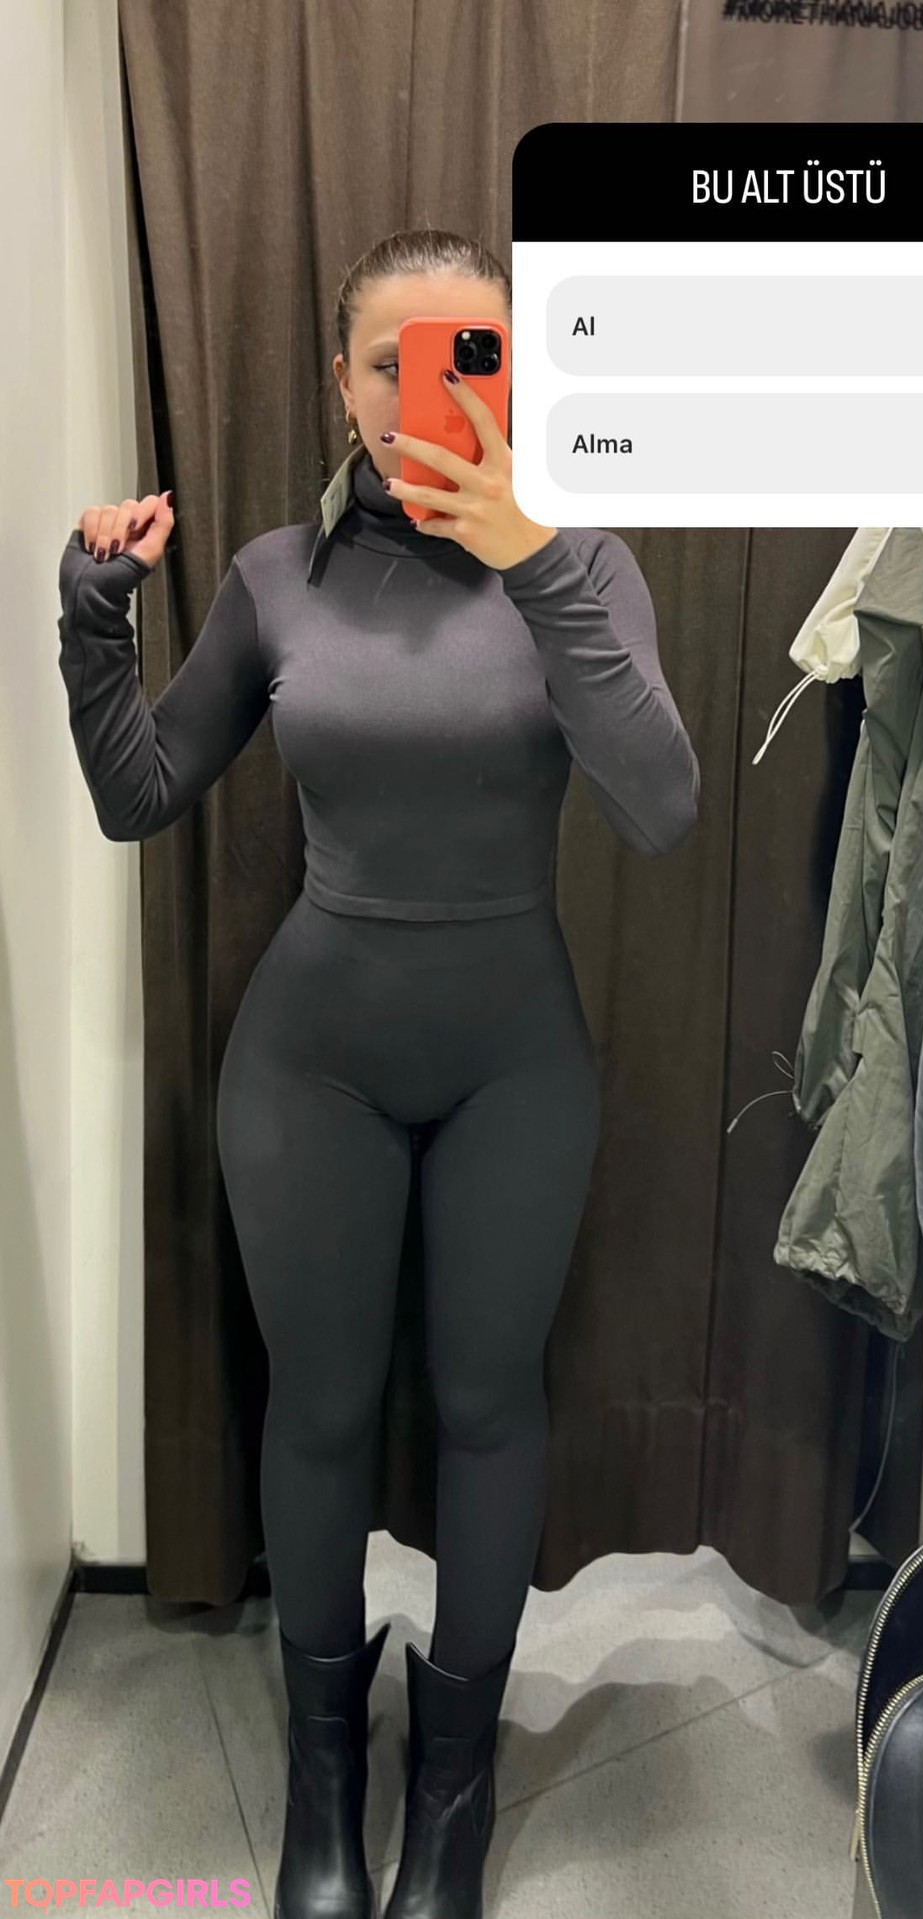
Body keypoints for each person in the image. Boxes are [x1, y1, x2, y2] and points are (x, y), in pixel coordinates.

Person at [57, 228, 701, 1919]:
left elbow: (661, 807)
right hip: (311, 1066)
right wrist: (91, 615)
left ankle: (456, 1798)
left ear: (519, 380)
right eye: (396, 362)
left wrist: (536, 561)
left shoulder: (587, 561)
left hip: (515, 1065)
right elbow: (139, 794)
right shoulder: (278, 577)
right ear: (343, 387)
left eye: (476, 357)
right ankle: (327, 1791)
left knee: (490, 1408)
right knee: (323, 1411)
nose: (434, 394)